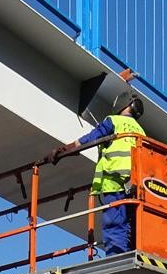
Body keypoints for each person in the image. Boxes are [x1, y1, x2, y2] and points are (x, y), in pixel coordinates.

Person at [46, 89, 145, 255]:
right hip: (136, 185)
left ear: (124, 104)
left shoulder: (113, 121)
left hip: (114, 182)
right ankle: (133, 254)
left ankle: (116, 259)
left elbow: (91, 138)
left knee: (114, 224)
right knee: (132, 223)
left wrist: (65, 150)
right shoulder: (141, 131)